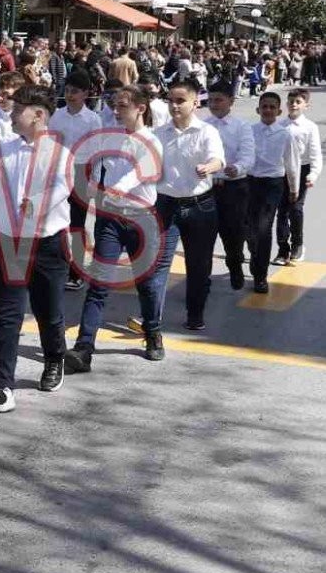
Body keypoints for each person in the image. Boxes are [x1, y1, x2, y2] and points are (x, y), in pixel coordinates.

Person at [61, 86, 167, 371]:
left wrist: (116, 191)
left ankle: (153, 334)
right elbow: (99, 168)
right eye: (115, 106)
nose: (116, 111)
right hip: (111, 220)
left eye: (122, 106)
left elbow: (139, 173)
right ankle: (84, 348)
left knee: (145, 283)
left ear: (140, 109)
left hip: (141, 220)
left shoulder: (151, 141)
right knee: (98, 284)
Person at [0, 85, 74, 408]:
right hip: (8, 242)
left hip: (47, 242)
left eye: (18, 107)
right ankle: (1, 384)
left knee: (48, 310)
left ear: (38, 115)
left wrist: (35, 202)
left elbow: (62, 187)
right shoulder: (3, 149)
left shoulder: (60, 152)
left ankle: (54, 357)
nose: (11, 111)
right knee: (6, 314)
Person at [151, 80, 226, 334]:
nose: (174, 105)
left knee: (198, 265)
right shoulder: (158, 134)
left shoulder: (206, 132)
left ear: (195, 103)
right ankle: (152, 322)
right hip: (165, 206)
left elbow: (218, 159)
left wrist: (208, 167)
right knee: (159, 264)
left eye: (180, 100)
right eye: (171, 100)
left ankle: (195, 315)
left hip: (200, 207)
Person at [243, 92, 302, 296]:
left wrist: (293, 188)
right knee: (249, 229)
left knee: (264, 228)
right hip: (250, 183)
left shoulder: (285, 134)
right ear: (258, 109)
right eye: (264, 106)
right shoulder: (249, 131)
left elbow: (292, 164)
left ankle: (261, 276)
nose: (268, 110)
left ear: (279, 111)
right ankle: (255, 252)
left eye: (272, 107)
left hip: (272, 185)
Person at [202, 83, 255, 290]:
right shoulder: (203, 126)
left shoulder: (242, 126)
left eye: (219, 100)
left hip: (234, 188)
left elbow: (248, 155)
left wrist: (238, 167)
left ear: (231, 102)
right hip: (207, 188)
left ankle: (235, 264)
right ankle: (201, 279)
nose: (214, 104)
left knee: (233, 235)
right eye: (211, 100)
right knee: (203, 237)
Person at [277, 88, 322, 264]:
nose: (293, 105)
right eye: (290, 101)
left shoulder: (310, 127)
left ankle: (298, 244)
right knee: (281, 211)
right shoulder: (280, 126)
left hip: (302, 171)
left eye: (298, 102)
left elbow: (315, 153)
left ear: (306, 105)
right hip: (282, 171)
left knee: (295, 209)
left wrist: (313, 174)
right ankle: (282, 249)